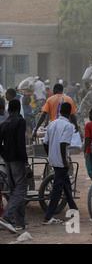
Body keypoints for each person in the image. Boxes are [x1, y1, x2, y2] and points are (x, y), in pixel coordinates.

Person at [42, 102, 78, 225]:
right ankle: (48, 216)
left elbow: (45, 142)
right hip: (61, 161)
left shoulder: (52, 124)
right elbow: (63, 144)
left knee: (66, 185)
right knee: (57, 189)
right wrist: (64, 161)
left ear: (60, 112)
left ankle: (74, 209)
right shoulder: (68, 126)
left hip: (53, 159)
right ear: (69, 114)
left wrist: (50, 155)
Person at [0, 99, 30, 232]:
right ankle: (7, 216)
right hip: (18, 160)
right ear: (18, 108)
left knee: (15, 190)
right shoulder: (20, 121)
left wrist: (4, 155)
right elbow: (21, 143)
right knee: (22, 188)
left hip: (7, 160)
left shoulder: (4, 123)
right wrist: (26, 163)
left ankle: (20, 222)